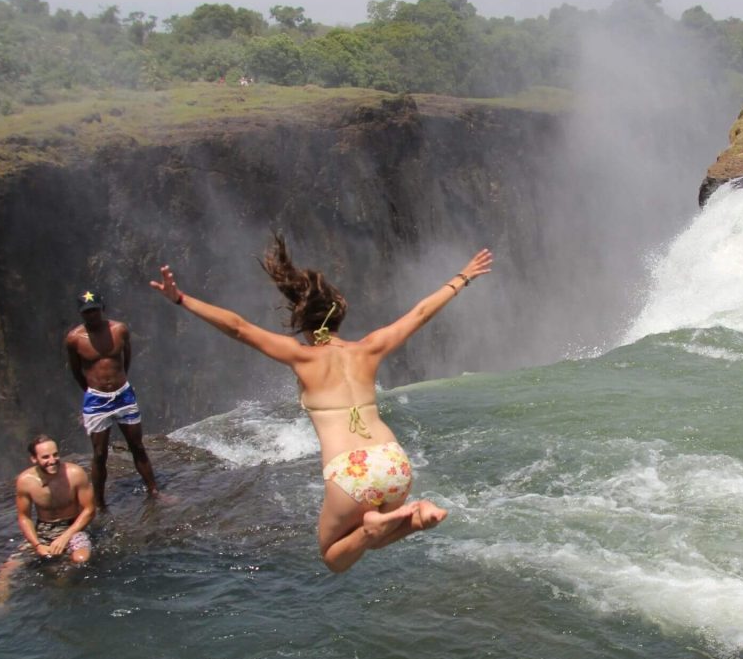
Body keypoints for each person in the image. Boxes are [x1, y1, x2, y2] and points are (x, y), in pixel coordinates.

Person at [150, 238, 493, 573]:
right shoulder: (369, 348)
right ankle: (413, 514)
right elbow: (419, 314)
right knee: (366, 535)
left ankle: (390, 522)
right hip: (394, 462)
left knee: (333, 556)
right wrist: (463, 276)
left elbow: (239, 329)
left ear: (302, 322)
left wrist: (181, 298)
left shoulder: (301, 357)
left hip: (350, 471)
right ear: (339, 316)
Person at [64, 289, 159, 508]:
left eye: (95, 311)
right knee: (99, 453)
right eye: (87, 312)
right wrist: (91, 390)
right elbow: (76, 370)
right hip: (96, 398)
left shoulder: (120, 330)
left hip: (123, 394)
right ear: (81, 314)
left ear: (102, 309)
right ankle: (99, 503)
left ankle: (153, 490)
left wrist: (120, 381)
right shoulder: (74, 339)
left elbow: (126, 358)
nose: (92, 316)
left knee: (137, 445)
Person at [0, 435, 96, 608]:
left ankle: (62, 589)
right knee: (7, 569)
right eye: (45, 457)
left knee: (81, 558)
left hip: (73, 527)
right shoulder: (26, 481)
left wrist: (65, 537)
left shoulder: (75, 474)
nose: (52, 461)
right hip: (43, 529)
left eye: (55, 455)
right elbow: (24, 517)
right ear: (34, 459)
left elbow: (89, 510)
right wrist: (37, 545)